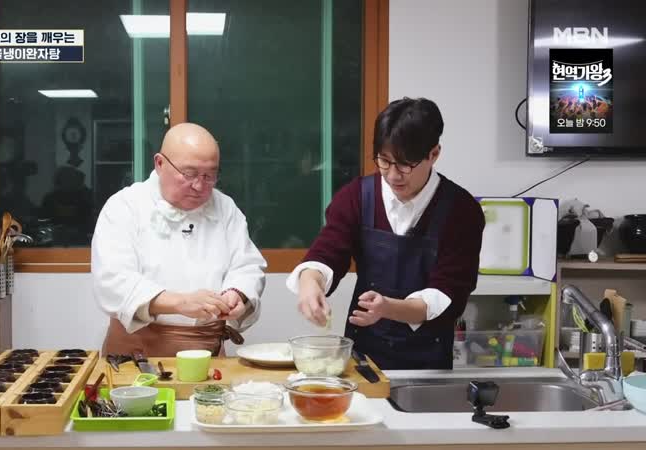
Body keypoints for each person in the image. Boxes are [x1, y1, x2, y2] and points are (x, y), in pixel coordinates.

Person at [286, 97, 485, 370]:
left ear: (434, 154)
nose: (392, 175)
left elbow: (448, 294)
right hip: (363, 357)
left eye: (405, 164)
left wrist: (388, 308)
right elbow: (329, 250)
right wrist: (310, 282)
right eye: (384, 161)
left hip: (428, 363)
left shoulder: (461, 211)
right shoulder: (357, 196)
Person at [92, 122, 267, 357]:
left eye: (209, 176)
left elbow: (247, 265)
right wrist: (178, 302)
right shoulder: (125, 206)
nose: (199, 186)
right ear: (160, 164)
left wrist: (237, 293)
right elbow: (113, 280)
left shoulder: (225, 207)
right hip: (135, 353)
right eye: (189, 174)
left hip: (208, 353)